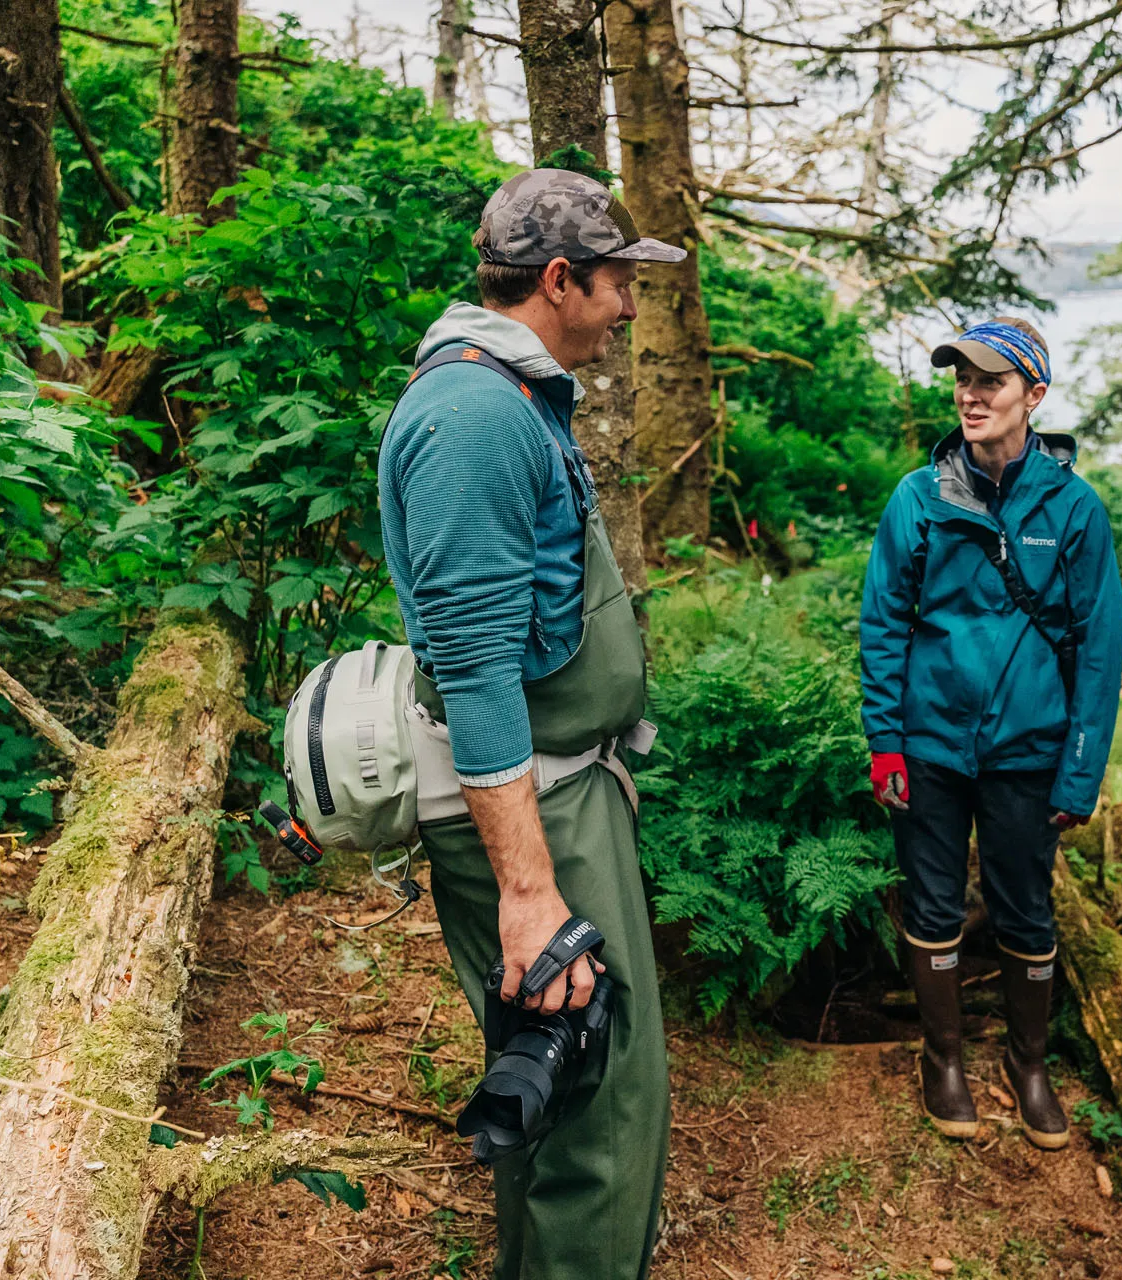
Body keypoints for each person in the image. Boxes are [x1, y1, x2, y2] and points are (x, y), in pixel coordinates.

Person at [376, 169, 685, 1280]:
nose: (629, 307)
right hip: (532, 810)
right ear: (558, 279)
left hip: (565, 791)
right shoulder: (473, 418)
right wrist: (529, 890)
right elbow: (471, 666)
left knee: (565, 1073)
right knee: (602, 1099)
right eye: (616, 283)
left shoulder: (510, 395)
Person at [858, 317, 1122, 1151]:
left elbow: (1099, 650)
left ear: (1033, 395)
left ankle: (1028, 1065)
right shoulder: (919, 497)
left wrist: (1079, 774)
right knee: (934, 904)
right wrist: (886, 741)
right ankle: (944, 1061)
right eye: (961, 380)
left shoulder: (1074, 509)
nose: (971, 396)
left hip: (1028, 753)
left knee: (1026, 913)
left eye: (991, 382)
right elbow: (883, 624)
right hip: (930, 745)